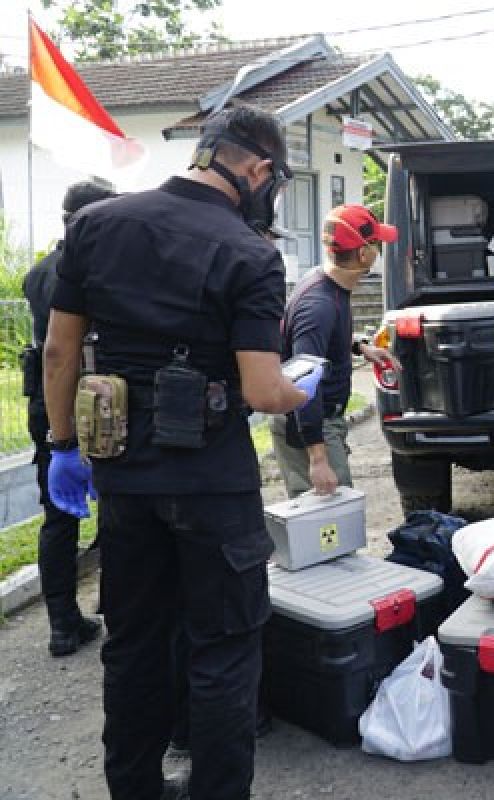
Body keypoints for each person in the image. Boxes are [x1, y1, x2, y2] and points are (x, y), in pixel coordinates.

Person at [43, 106, 323, 800]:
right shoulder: (251, 254)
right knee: (224, 649)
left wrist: (62, 446)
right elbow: (262, 389)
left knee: (133, 644)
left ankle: (134, 789)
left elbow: (59, 351)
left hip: (123, 477)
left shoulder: (95, 226)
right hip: (211, 483)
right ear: (258, 170)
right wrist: (302, 386)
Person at [21, 179, 115, 657]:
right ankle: (115, 608)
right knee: (119, 508)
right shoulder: (96, 270)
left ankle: (62, 623)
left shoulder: (38, 272)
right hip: (98, 401)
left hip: (47, 403)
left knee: (57, 515)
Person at [269, 203, 396, 497]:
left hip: (317, 423)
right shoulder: (319, 306)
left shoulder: (327, 284)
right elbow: (303, 381)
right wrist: (318, 459)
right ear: (364, 253)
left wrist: (357, 346)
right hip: (311, 426)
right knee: (329, 528)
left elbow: (314, 343)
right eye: (377, 244)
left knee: (331, 527)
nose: (380, 252)